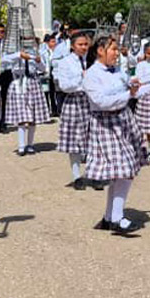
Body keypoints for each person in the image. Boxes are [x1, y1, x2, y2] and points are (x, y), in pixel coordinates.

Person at [82, 36, 150, 232]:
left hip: (123, 121)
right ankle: (117, 218)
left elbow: (136, 89)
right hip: (106, 124)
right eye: (112, 49)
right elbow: (101, 101)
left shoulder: (119, 71)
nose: (116, 52)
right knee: (124, 169)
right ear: (100, 51)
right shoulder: (92, 75)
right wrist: (128, 94)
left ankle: (110, 217)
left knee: (122, 172)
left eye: (117, 49)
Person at [54, 32, 95, 189]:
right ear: (72, 46)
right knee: (75, 141)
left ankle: (93, 174)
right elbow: (64, 86)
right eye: (80, 44)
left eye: (86, 44)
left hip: (91, 102)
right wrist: (82, 76)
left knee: (94, 139)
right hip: (74, 102)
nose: (84, 47)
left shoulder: (92, 60)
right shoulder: (65, 62)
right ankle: (77, 175)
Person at [3, 45, 50, 155]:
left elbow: (43, 69)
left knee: (32, 117)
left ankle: (30, 144)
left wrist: (38, 61)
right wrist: (18, 55)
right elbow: (3, 61)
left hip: (33, 83)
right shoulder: (12, 52)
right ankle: (21, 145)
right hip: (18, 83)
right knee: (21, 117)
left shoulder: (35, 52)